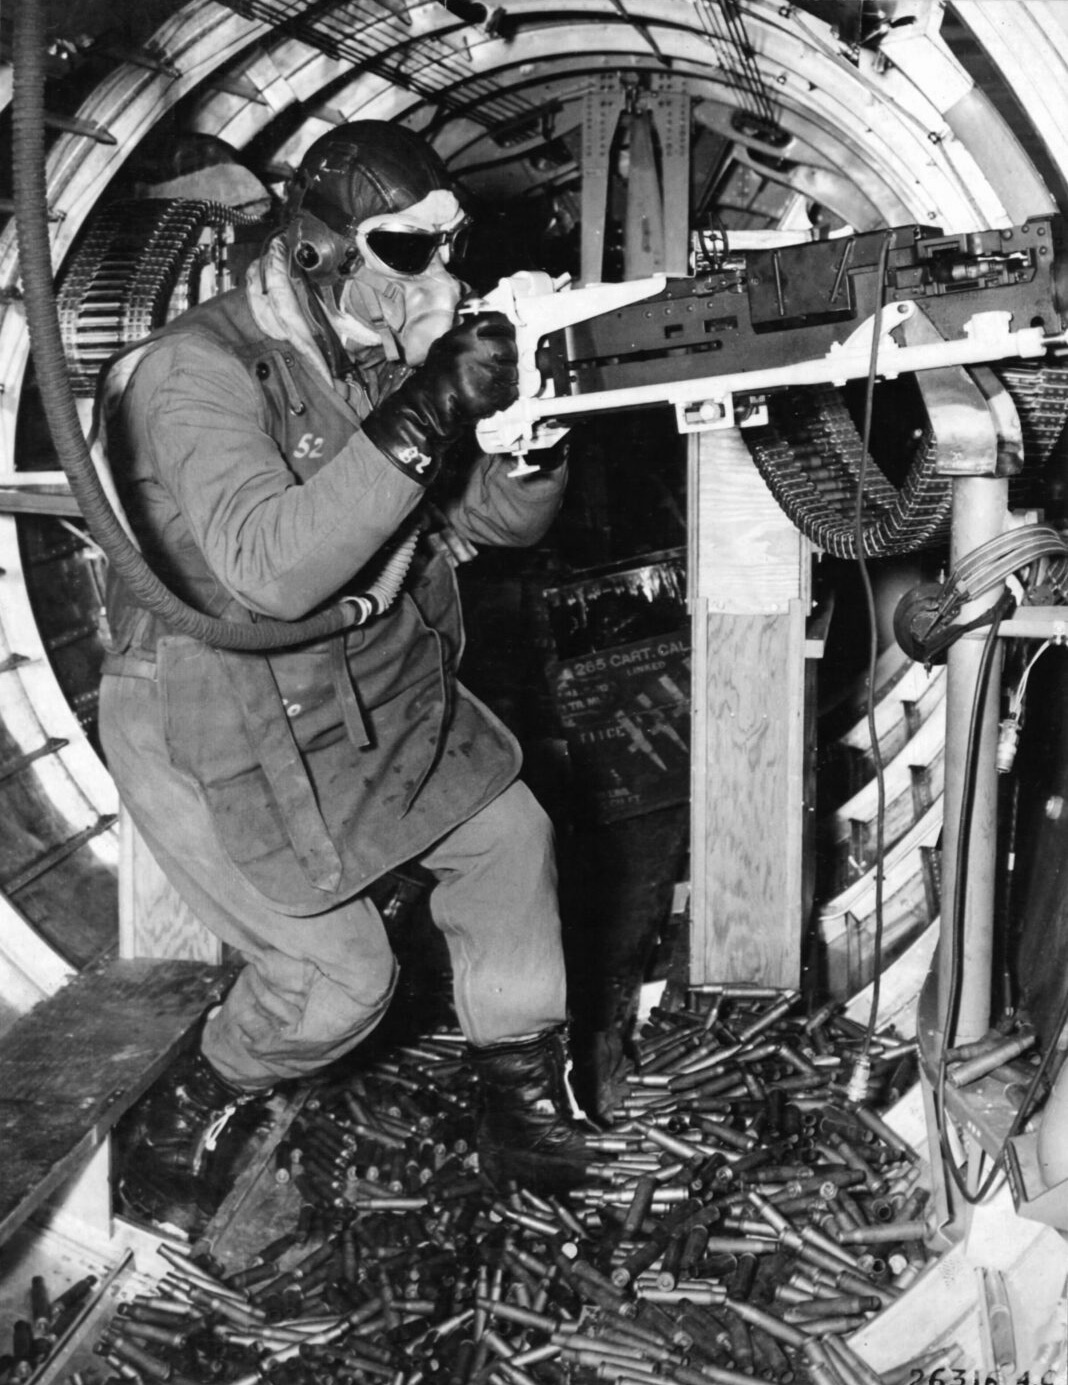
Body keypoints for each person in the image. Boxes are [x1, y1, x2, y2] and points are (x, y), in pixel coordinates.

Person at [97, 120, 589, 1230]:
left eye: (446, 249)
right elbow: (272, 571)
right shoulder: (194, 372)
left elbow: (491, 524)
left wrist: (532, 444)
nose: (438, 280)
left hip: (360, 678)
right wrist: (425, 412)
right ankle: (198, 1100)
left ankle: (522, 1099)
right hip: (208, 700)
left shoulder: (368, 355)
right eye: (406, 253)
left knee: (509, 838)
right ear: (318, 251)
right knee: (338, 984)